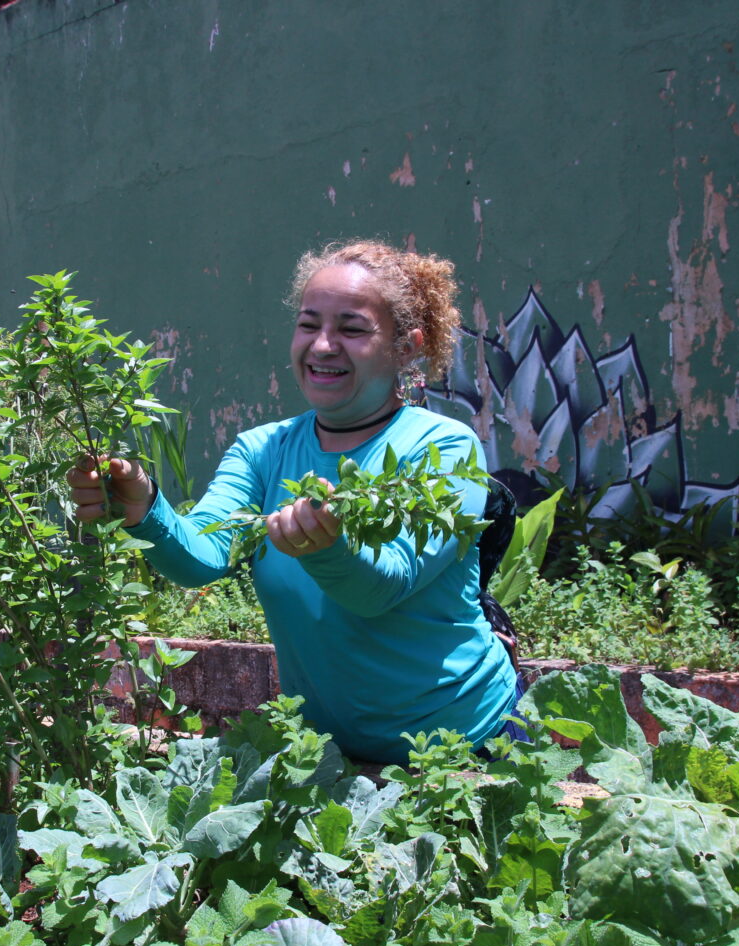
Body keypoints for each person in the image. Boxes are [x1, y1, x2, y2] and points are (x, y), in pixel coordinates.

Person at [67, 240, 521, 764]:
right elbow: (203, 555)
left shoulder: (443, 447)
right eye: (309, 324)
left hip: (462, 749)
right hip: (328, 756)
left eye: (352, 329)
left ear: (406, 347)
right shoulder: (264, 449)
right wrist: (145, 511)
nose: (323, 346)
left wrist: (326, 547)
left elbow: (384, 586)